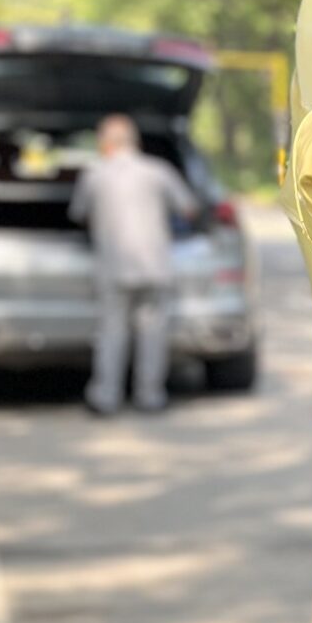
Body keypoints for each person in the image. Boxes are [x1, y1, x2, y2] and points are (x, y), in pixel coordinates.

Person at [68, 113, 198, 414]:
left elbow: (79, 214)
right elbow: (189, 209)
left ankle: (106, 398)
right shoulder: (159, 171)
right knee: (153, 334)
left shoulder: (94, 175)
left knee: (112, 332)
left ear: (106, 144)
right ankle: (150, 397)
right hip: (155, 265)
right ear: (133, 142)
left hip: (113, 267)